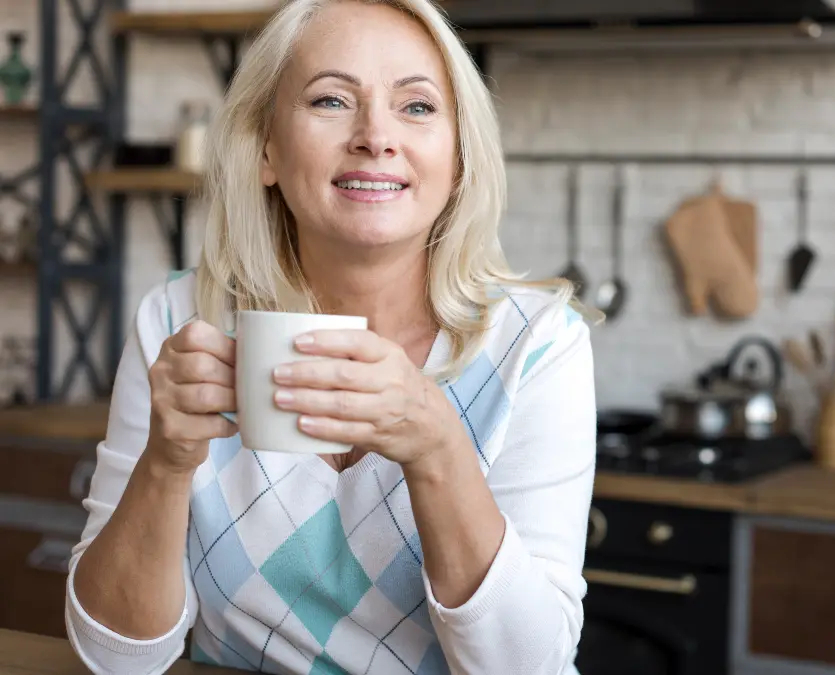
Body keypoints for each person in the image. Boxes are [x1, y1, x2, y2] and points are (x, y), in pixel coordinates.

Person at [65, 1, 597, 673]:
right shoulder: (180, 321)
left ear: (458, 156)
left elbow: (530, 667)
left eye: (417, 107)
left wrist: (437, 448)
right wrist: (166, 464)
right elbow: (116, 660)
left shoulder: (538, 346)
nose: (376, 136)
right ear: (265, 148)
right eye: (330, 100)